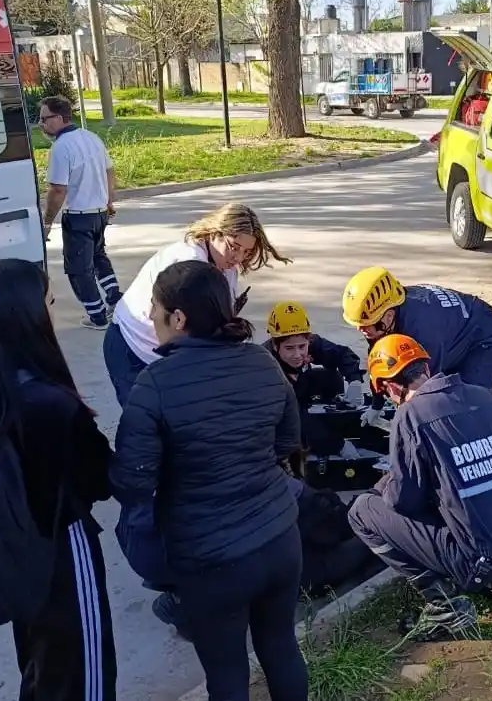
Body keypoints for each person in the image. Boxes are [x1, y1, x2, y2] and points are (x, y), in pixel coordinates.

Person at [110, 260, 308, 701]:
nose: (150, 319)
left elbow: (132, 485)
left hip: (211, 558)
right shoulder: (262, 360)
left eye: (155, 309)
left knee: (226, 670)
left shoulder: (154, 384)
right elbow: (287, 441)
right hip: (279, 538)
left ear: (178, 318)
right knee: (280, 648)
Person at [0, 259, 116, 701]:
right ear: (25, 317)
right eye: (49, 302)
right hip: (62, 550)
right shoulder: (49, 404)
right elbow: (102, 480)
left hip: (4, 554)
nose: (53, 310)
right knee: (85, 676)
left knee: (40, 665)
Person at [348, 335, 492, 638]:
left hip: (479, 560)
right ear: (425, 366)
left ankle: (445, 605)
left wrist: (386, 486)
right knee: (473, 487)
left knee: (363, 512)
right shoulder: (487, 396)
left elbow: (404, 503)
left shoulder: (410, 415)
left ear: (392, 387)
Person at [104, 202, 290, 407]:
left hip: (167, 355)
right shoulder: (188, 263)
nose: (237, 258)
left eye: (246, 252)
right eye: (233, 247)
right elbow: (186, 330)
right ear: (214, 232)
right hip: (132, 346)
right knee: (143, 419)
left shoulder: (227, 269)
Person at [342, 267, 492, 424]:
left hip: (484, 334)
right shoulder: (378, 320)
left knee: (468, 403)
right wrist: (376, 405)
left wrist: (406, 429)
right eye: (359, 324)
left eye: (366, 325)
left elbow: (426, 392)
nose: (360, 329)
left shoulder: (422, 331)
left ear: (389, 315)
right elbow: (380, 362)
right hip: (451, 332)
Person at [39, 95, 123, 329]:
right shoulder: (91, 137)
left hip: (78, 216)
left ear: (58, 118)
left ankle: (96, 316)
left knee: (78, 269)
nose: (42, 124)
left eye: (44, 119)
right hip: (99, 212)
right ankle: (115, 297)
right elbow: (109, 171)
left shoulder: (61, 147)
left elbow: (58, 189)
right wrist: (108, 200)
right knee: (98, 257)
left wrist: (47, 222)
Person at [264, 300, 366, 457]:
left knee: (332, 378)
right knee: (299, 425)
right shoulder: (266, 364)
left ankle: (330, 419)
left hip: (301, 387)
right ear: (275, 345)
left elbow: (342, 354)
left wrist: (355, 381)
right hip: (279, 410)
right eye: (289, 348)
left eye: (301, 347)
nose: (297, 355)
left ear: (308, 340)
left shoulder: (312, 343)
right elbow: (296, 418)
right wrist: (337, 446)